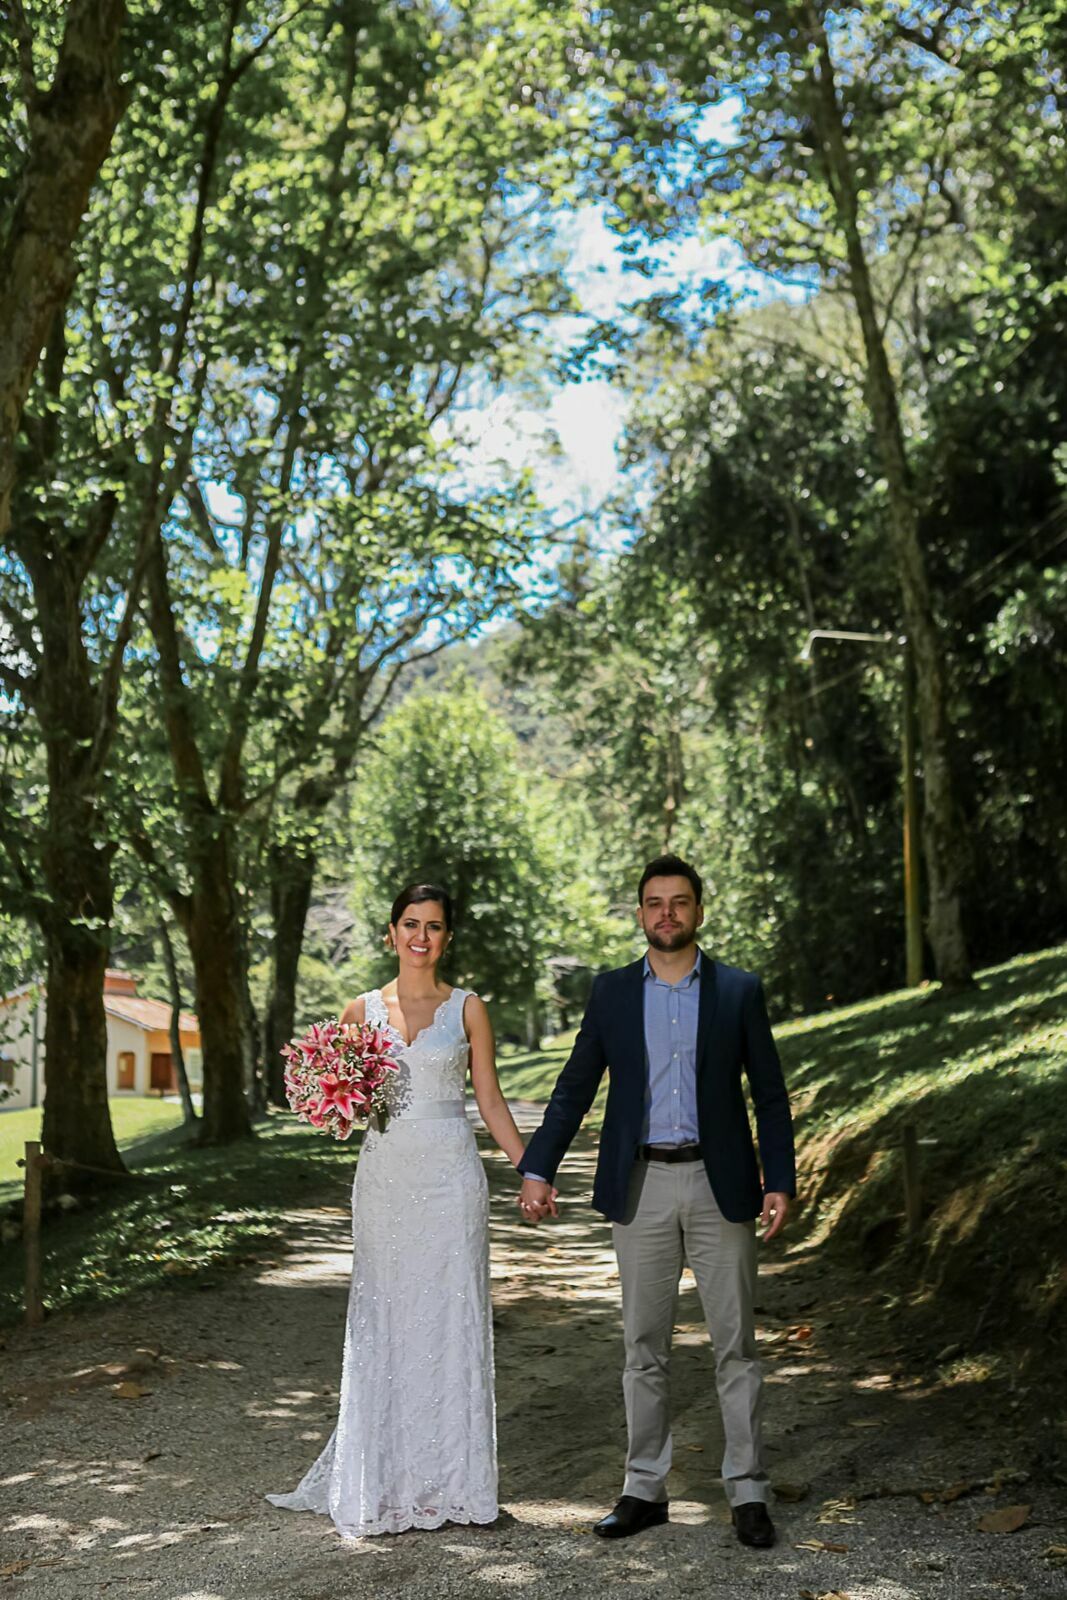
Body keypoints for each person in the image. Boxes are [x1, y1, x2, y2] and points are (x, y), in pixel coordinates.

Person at [518, 854, 795, 1546]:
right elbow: (574, 1087)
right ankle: (643, 1489)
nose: (666, 913)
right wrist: (538, 1166)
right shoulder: (612, 993)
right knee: (643, 1347)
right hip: (640, 1186)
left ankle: (748, 1492)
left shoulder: (738, 991)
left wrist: (779, 1179)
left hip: (719, 1185)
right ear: (639, 913)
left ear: (698, 909)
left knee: (735, 1346)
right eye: (653, 902)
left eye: (678, 901)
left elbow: (768, 1093)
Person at [267, 882, 527, 1538]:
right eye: (410, 924)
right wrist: (330, 1100)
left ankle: (456, 1487)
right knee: (386, 1317)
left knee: (450, 1317)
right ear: (391, 933)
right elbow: (338, 1100)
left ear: (447, 937)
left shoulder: (468, 1009)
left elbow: (490, 1100)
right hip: (386, 1177)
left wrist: (532, 1169)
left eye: (433, 926)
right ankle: (383, 1483)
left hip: (451, 1177)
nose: (421, 936)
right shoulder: (360, 1010)